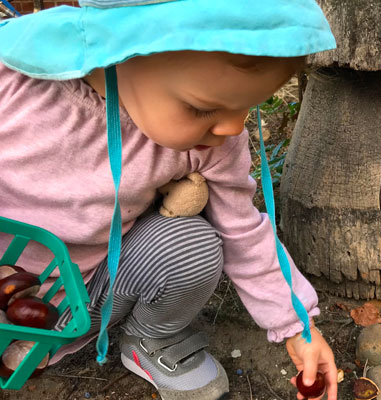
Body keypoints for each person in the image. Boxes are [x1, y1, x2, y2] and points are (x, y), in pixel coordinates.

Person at [0, 1, 338, 399]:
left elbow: (243, 231)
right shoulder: (16, 90)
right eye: (202, 107)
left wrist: (299, 325)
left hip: (87, 300)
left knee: (192, 245)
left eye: (249, 106)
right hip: (11, 285)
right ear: (122, 52)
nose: (231, 127)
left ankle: (146, 338)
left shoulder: (212, 142)